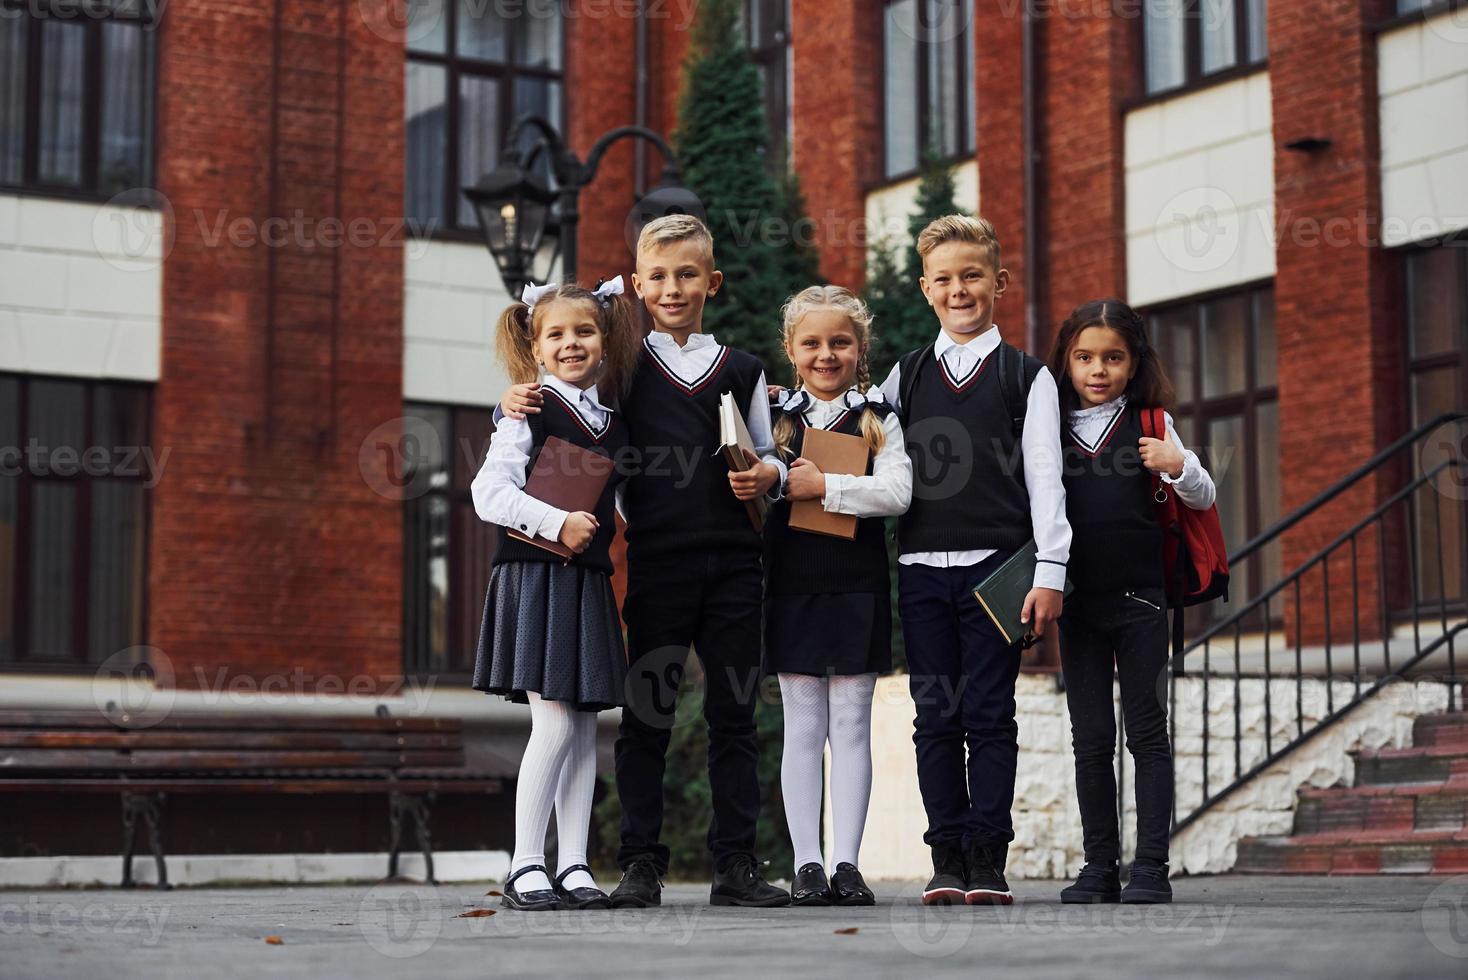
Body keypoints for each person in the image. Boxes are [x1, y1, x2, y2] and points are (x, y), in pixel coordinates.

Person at [497, 215, 791, 908]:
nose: (672, 287)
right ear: (634, 284)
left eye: (687, 274)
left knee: (733, 715)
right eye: (656, 276)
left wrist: (769, 476)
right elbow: (560, 408)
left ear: (710, 282)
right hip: (657, 565)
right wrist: (509, 395)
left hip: (735, 568)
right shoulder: (619, 370)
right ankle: (639, 864)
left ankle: (736, 866)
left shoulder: (743, 368)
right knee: (647, 717)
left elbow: (766, 449)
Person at [878, 215, 1071, 906]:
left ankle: (988, 859)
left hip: (1000, 574)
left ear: (998, 282)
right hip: (922, 571)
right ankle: (946, 859)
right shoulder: (904, 378)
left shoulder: (1027, 377)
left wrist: (1051, 572)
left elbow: (1048, 479)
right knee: (936, 717)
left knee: (990, 715)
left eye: (972, 276)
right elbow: (858, 442)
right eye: (945, 279)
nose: (959, 290)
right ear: (925, 288)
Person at [470, 277, 639, 911]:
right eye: (558, 335)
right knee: (555, 722)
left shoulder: (615, 425)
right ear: (536, 348)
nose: (572, 343)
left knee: (584, 726)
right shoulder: (525, 410)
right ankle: (524, 864)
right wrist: (556, 522)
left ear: (604, 340)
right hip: (536, 578)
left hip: (587, 581)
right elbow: (488, 494)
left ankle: (574, 865)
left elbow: (627, 506)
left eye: (585, 331)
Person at [1048, 298, 1215, 905]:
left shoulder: (1151, 422)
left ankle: (1150, 868)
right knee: (1090, 736)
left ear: (1134, 361)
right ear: (1065, 361)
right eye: (1084, 357)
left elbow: (1201, 497)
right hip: (1076, 605)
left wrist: (1180, 464)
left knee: (1146, 731)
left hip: (1142, 600)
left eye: (1113, 358)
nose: (1098, 370)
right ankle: (1098, 868)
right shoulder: (1048, 425)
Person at [764, 286, 912, 906]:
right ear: (792, 351)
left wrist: (828, 485)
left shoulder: (880, 417)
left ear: (861, 349)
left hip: (857, 581)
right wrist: (773, 480)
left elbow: (898, 494)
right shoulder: (771, 416)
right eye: (813, 344)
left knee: (851, 722)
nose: (827, 355)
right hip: (792, 580)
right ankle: (807, 864)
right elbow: (749, 477)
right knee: (802, 722)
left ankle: (848, 863)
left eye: (840, 343)